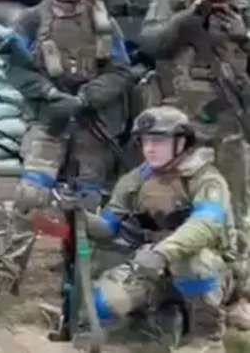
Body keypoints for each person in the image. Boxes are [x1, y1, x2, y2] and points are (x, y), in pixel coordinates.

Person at [0, 0, 136, 293]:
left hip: (93, 126)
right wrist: (50, 94)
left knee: (87, 204)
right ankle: (6, 277)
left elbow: (121, 70)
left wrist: (86, 98)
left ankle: (81, 278)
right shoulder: (31, 20)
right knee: (31, 196)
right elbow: (14, 68)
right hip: (49, 121)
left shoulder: (102, 21)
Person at [141, 0, 250, 326]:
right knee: (167, 205)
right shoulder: (170, 2)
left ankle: (236, 293)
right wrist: (189, 19)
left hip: (229, 126)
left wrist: (243, 36)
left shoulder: (244, 8)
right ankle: (166, 292)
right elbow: (150, 44)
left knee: (234, 209)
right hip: (178, 128)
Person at [85, 106, 232, 351]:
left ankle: (207, 337)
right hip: (150, 265)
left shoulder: (206, 179)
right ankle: (160, 320)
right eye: (145, 141)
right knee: (102, 303)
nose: (149, 148)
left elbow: (204, 225)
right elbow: (108, 227)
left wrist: (163, 252)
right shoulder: (135, 180)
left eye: (158, 141)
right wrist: (78, 216)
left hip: (208, 267)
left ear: (181, 142)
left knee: (191, 263)